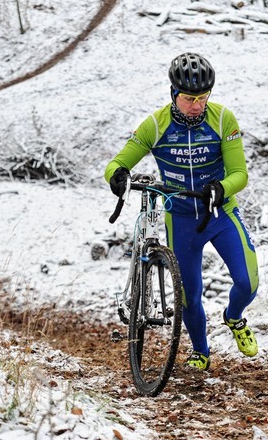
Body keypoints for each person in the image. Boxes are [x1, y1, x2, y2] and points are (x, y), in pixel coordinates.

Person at [104, 52, 259, 370]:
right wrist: (117, 176)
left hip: (220, 214)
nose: (198, 105)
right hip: (181, 218)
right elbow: (117, 164)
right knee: (189, 296)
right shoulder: (156, 125)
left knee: (248, 283)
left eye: (203, 97)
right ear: (174, 95)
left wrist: (222, 187)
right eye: (190, 99)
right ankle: (201, 351)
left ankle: (233, 317)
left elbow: (239, 174)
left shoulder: (221, 120)